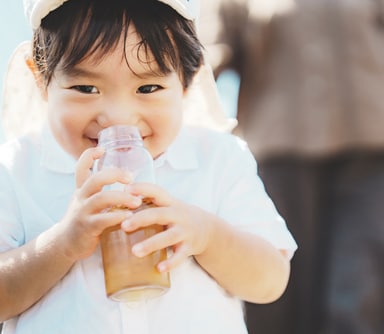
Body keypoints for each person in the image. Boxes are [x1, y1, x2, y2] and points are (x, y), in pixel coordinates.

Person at [0, 0, 297, 333]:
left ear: (187, 81)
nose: (118, 117)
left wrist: (208, 235)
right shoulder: (15, 169)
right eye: (85, 88)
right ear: (41, 79)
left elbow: (271, 280)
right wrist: (62, 244)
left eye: (148, 87)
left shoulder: (218, 158)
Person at [201, 0, 384, 333]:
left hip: (367, 149)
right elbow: (205, 57)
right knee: (287, 286)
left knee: (362, 283)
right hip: (282, 158)